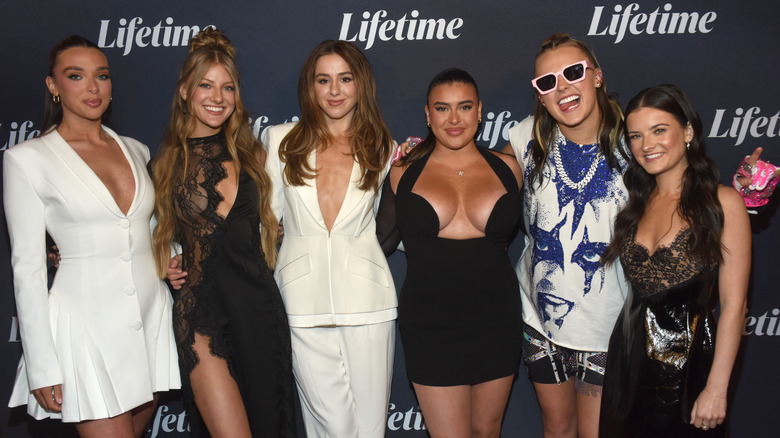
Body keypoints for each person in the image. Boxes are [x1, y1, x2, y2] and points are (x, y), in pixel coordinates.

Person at [4, 35, 180, 437]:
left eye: (101, 75)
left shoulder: (135, 150)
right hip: (86, 327)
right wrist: (42, 364)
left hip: (150, 319)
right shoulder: (26, 160)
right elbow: (28, 268)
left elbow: (148, 226)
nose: (92, 86)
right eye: (75, 76)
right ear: (53, 86)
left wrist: (171, 256)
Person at [150, 29, 295, 437]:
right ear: (185, 91)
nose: (218, 97)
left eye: (227, 87)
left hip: (259, 311)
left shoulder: (255, 156)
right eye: (206, 85)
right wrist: (165, 263)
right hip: (201, 316)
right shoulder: (163, 167)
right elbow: (131, 234)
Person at [261, 40, 397, 438]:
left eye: (345, 78)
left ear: (361, 85)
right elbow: (262, 220)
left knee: (370, 430)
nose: (334, 90)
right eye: (324, 80)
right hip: (301, 303)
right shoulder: (281, 141)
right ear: (311, 86)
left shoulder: (385, 149)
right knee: (332, 427)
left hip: (370, 303)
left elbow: (394, 225)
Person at [378, 68, 524, 438]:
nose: (454, 119)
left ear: (480, 112)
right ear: (428, 115)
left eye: (464, 107)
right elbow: (375, 239)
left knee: (486, 430)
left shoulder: (510, 169)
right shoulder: (402, 172)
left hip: (497, 319)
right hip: (430, 325)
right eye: (443, 108)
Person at [599, 84, 750, 437]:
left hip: (691, 372)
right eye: (635, 135)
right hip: (629, 369)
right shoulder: (632, 207)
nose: (646, 144)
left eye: (659, 130)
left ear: (688, 132)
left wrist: (716, 389)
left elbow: (734, 306)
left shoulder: (723, 203)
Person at [502, 34, 630, 438]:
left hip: (606, 323)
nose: (563, 88)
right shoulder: (527, 138)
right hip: (540, 320)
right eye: (547, 82)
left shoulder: (634, 142)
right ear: (539, 96)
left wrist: (747, 193)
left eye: (573, 73)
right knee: (557, 428)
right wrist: (420, 159)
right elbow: (477, 178)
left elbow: (687, 193)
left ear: (597, 77)